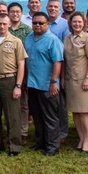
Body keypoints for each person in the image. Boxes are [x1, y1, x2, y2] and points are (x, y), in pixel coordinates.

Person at [62, 11, 88, 153]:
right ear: (70, 23)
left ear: (84, 23)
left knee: (85, 111)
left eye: (79, 22)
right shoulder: (67, 39)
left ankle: (87, 140)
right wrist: (63, 78)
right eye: (74, 21)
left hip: (84, 80)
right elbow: (65, 61)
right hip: (71, 79)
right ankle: (81, 138)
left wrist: (87, 78)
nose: (77, 24)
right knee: (75, 111)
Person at [0, 14, 27, 156]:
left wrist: (18, 86)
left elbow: (21, 64)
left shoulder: (16, 41)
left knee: (12, 116)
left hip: (10, 80)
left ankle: (14, 146)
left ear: (9, 25)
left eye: (4, 24)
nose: (1, 26)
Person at [24, 13, 64, 156]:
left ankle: (52, 146)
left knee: (50, 116)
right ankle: (40, 141)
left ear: (47, 24)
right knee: (37, 115)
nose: (37, 25)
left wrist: (53, 82)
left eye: (41, 23)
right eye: (35, 23)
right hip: (32, 84)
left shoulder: (53, 40)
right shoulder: (28, 39)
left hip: (47, 85)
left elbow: (57, 62)